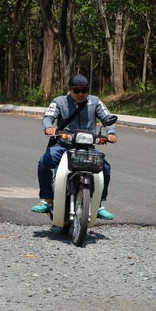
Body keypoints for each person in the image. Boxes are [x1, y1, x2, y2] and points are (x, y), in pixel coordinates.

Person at [31, 74, 118, 219]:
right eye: (77, 90)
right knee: (44, 163)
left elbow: (107, 118)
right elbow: (48, 117)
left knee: (106, 169)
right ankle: (47, 200)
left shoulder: (95, 102)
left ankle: (98, 205)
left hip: (88, 147)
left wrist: (111, 133)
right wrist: (49, 127)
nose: (81, 94)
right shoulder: (58, 102)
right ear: (69, 89)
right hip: (63, 145)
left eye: (84, 90)